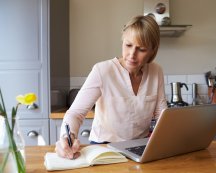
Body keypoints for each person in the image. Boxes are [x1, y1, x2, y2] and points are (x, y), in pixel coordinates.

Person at [55, 15, 168, 159]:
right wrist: (67, 136)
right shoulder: (102, 71)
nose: (132, 54)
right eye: (128, 45)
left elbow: (161, 116)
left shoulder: (156, 71)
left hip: (140, 148)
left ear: (152, 51)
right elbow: (75, 113)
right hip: (105, 147)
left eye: (141, 49)